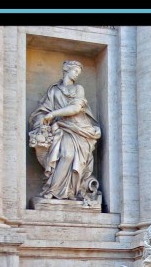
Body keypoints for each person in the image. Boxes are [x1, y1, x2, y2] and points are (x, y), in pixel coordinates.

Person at [29, 60, 102, 201]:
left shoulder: (78, 89)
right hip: (61, 128)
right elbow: (42, 111)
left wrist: (53, 114)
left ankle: (70, 191)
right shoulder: (54, 91)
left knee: (73, 159)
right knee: (66, 155)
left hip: (80, 129)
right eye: (75, 71)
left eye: (78, 73)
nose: (76, 75)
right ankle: (54, 190)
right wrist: (43, 120)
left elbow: (75, 109)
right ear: (66, 70)